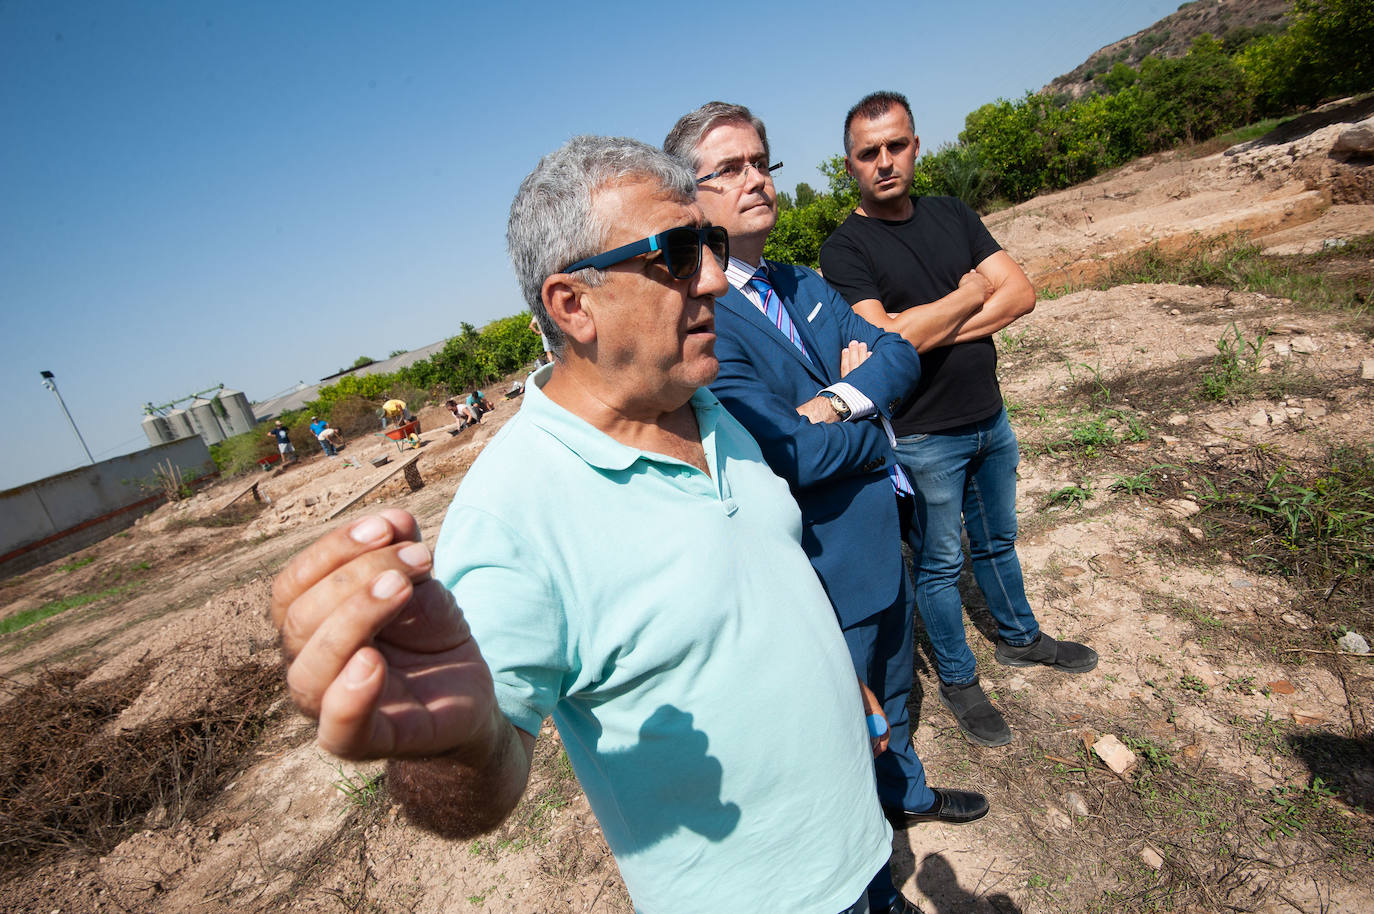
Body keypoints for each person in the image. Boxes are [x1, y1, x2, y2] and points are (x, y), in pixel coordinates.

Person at [270, 136, 897, 913]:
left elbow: (761, 583)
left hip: (861, 847)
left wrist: (838, 681)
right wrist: (454, 748)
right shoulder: (513, 514)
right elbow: (484, 777)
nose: (712, 279)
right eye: (676, 254)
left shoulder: (706, 405)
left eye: (708, 244)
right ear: (573, 305)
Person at [666, 102, 986, 914]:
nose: (756, 180)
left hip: (880, 531)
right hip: (820, 564)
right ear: (687, 197)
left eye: (761, 162)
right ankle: (870, 868)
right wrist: (875, 424)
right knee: (847, 721)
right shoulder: (706, 323)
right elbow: (786, 456)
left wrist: (841, 398)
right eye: (729, 169)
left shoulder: (802, 280)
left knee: (894, 687)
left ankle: (906, 797)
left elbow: (900, 353)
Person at [819, 91, 1098, 749]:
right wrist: (972, 292)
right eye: (869, 153)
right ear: (851, 165)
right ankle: (958, 677)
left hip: (988, 417)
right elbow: (886, 340)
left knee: (998, 540)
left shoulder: (952, 214)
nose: (885, 162)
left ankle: (1021, 638)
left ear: (916, 146)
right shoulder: (845, 249)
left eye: (896, 146)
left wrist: (922, 328)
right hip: (923, 435)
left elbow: (1022, 293)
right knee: (941, 565)